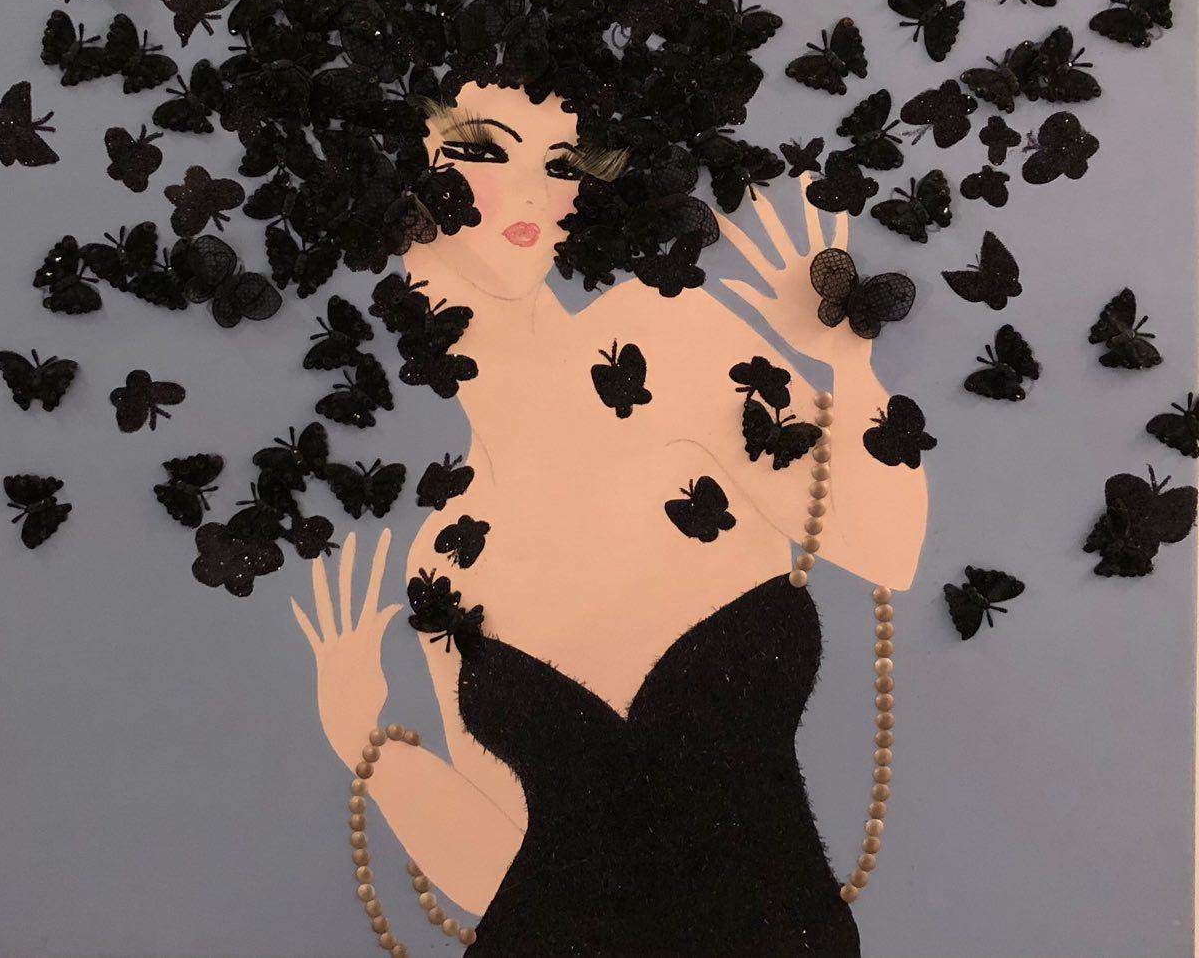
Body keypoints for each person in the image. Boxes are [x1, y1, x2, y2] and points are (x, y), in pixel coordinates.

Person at [293, 81, 929, 956]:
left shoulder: (667, 339)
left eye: (560, 164)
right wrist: (362, 739)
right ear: (389, 178)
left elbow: (888, 547)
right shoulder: (447, 549)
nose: (532, 191)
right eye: (479, 149)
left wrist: (845, 362)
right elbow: (497, 866)